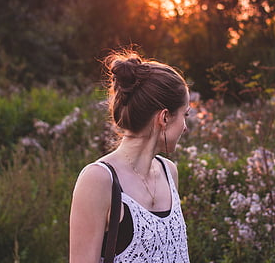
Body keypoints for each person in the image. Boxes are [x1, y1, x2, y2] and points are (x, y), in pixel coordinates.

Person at [69, 51, 191, 263]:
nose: (185, 127)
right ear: (164, 117)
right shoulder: (98, 180)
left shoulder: (169, 172)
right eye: (185, 115)